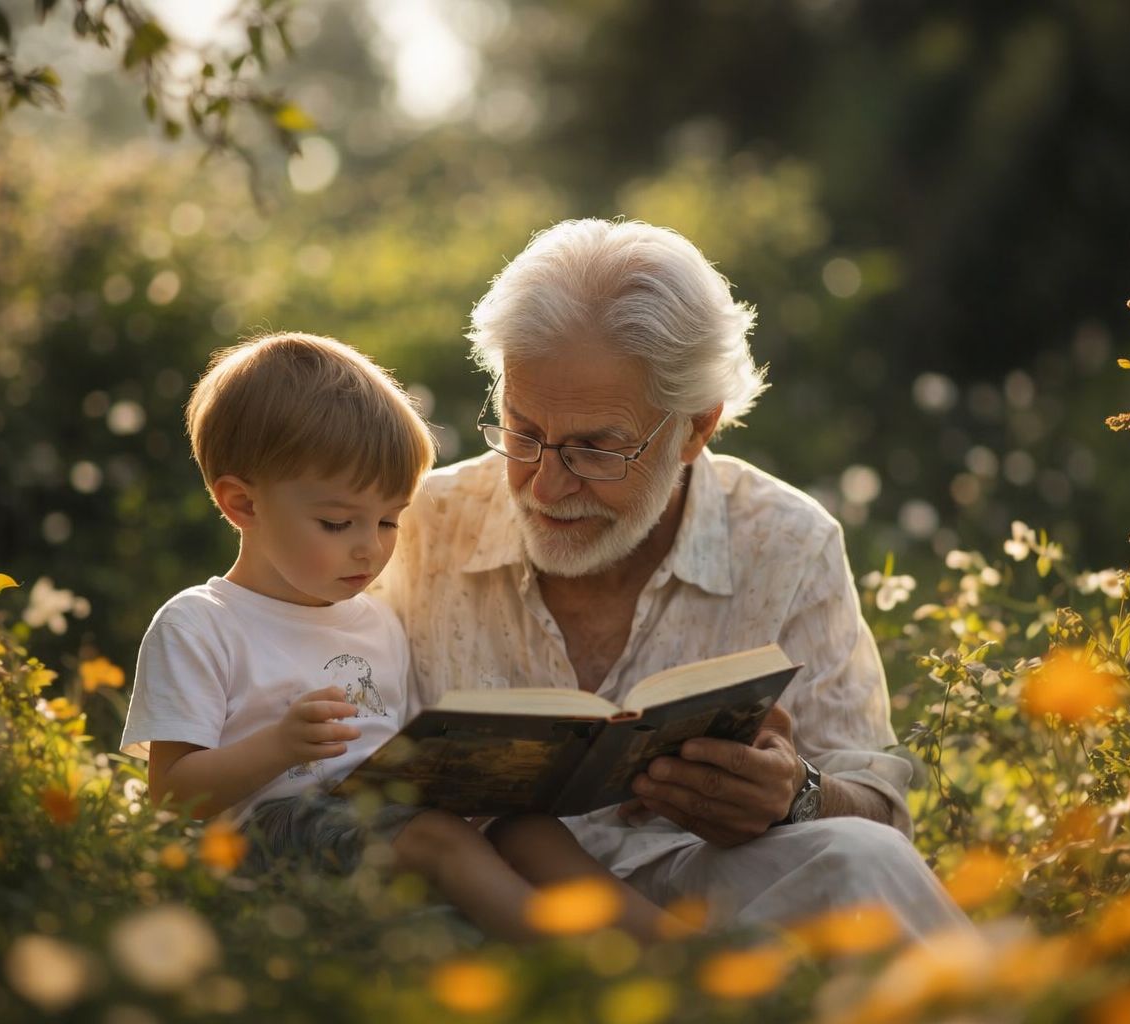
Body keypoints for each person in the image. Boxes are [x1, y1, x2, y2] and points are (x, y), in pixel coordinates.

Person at [372, 220, 971, 937]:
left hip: (703, 886)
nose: (546, 486)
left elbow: (881, 812)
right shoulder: (415, 525)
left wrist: (795, 793)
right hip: (477, 902)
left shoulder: (785, 542)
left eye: (598, 449)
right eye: (523, 432)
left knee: (864, 859)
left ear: (695, 428)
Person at [119, 332, 684, 941]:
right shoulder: (201, 624)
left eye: (389, 520)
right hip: (263, 837)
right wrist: (279, 746)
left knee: (525, 826)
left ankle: (676, 950)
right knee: (435, 838)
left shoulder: (376, 621)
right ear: (242, 505)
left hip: (381, 818)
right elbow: (172, 796)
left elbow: (397, 755)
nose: (371, 547)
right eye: (337, 522)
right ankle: (571, 965)